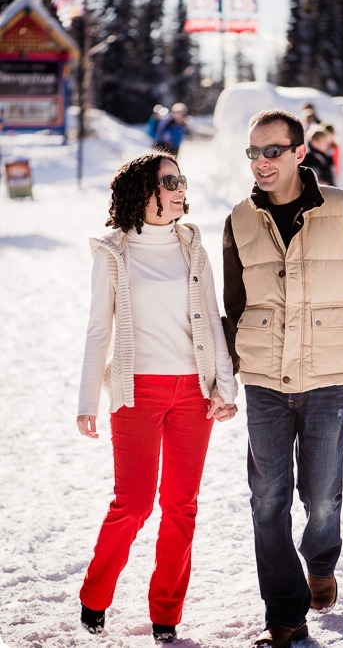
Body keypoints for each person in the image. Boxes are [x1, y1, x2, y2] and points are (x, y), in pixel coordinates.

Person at [222, 109, 343, 648]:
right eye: (253, 152)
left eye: (272, 151)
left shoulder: (339, 208)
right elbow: (232, 307)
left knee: (322, 496)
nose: (261, 162)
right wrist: (223, 377)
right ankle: (284, 613)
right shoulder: (238, 219)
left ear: (300, 152)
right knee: (267, 498)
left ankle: (321, 562)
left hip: (327, 376)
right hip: (263, 379)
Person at [76, 150, 238, 642]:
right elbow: (97, 329)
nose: (179, 189)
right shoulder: (114, 251)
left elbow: (213, 320)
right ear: (142, 192)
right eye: (170, 182)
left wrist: (223, 386)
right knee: (134, 503)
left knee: (181, 505)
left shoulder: (194, 247)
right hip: (136, 391)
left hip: (193, 391)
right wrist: (87, 400)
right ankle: (94, 595)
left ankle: (166, 612)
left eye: (181, 181)